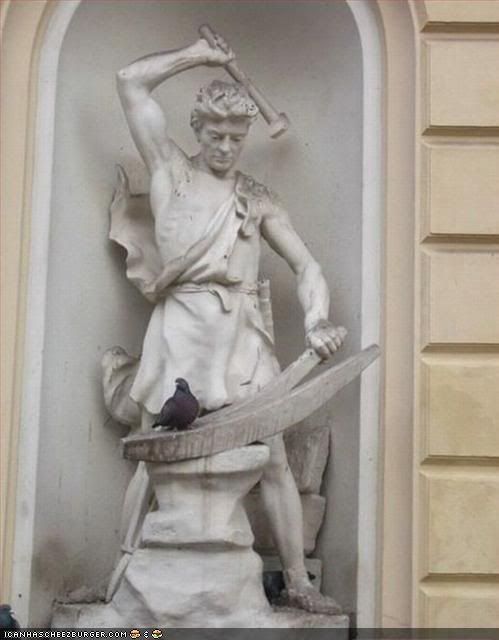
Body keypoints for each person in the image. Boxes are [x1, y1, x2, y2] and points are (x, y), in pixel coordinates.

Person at [113, 34, 345, 614]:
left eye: (236, 138)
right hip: (180, 326)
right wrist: (196, 54)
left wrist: (317, 319)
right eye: (215, 135)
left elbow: (308, 266)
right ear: (196, 131)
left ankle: (298, 582)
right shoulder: (169, 170)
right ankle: (122, 569)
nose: (224, 147)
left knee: (273, 457)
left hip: (241, 333)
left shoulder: (256, 197)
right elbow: (129, 82)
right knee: (153, 454)